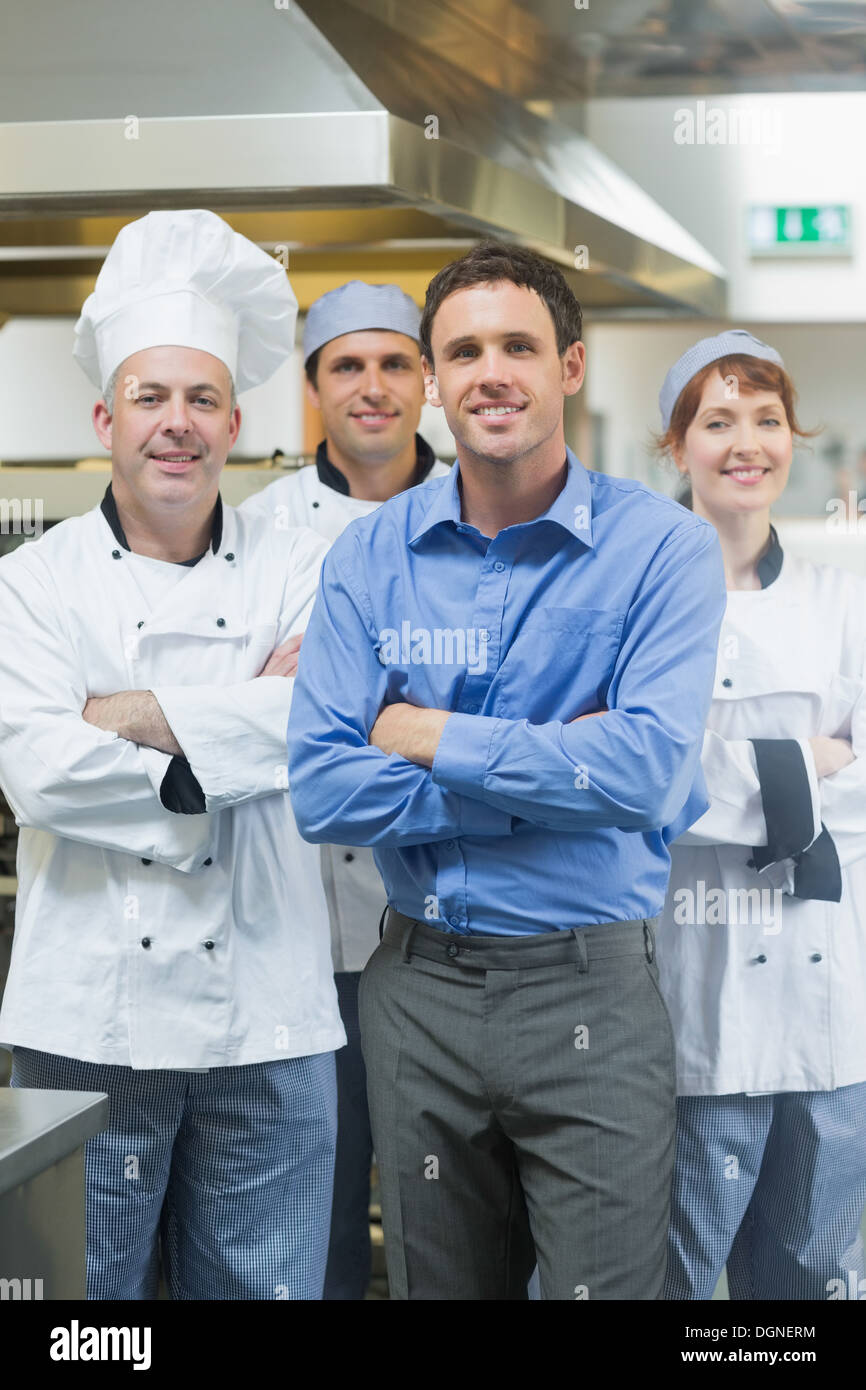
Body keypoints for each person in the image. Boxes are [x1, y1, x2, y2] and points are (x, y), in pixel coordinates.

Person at [286, 240, 727, 1300]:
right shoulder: (367, 556)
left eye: (519, 346)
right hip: (417, 994)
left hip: (592, 993)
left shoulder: (661, 550)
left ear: (568, 366)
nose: (492, 372)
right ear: (434, 380)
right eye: (465, 350)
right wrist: (553, 776)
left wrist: (430, 734)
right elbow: (322, 789)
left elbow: (646, 772)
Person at [0, 209, 345, 1300]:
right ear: (107, 415)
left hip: (272, 1015)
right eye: (151, 397)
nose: (176, 424)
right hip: (85, 1017)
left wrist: (125, 711)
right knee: (79, 1307)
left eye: (201, 399)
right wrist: (237, 719)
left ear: (236, 420)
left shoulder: (309, 567)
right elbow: (36, 767)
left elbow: (321, 725)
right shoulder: (32, 583)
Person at [241, 280, 449, 1300]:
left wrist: (331, 696)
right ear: (314, 388)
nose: (372, 388)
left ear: (427, 378)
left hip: (455, 933)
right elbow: (238, 710)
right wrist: (412, 716)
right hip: (299, 938)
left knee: (447, 1211)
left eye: (394, 363)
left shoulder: (489, 505)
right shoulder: (259, 529)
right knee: (307, 1209)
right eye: (345, 367)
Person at [653, 329, 866, 1301]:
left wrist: (727, 778)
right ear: (675, 447)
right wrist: (808, 766)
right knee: (673, 1279)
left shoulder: (840, 601)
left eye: (766, 419)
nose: (746, 442)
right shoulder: (636, 602)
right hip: (687, 1002)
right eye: (717, 420)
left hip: (829, 1018)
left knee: (812, 1281)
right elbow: (646, 784)